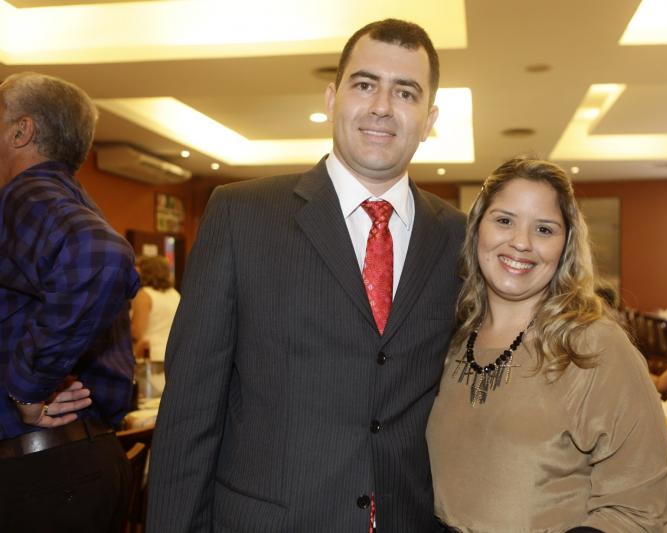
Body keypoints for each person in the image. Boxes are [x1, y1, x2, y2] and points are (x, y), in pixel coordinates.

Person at [147, 19, 466, 532]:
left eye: (405, 92)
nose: (382, 106)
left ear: (429, 119)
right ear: (332, 98)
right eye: (365, 85)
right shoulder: (242, 216)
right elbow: (190, 411)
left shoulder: (459, 238)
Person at [426, 157, 667, 532]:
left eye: (544, 229)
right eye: (504, 220)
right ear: (476, 230)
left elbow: (639, 509)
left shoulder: (594, 347)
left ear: (566, 245)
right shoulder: (452, 337)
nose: (521, 243)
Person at [0, 72, 139, 532]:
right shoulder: (69, 196)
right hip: (76, 463)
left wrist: (28, 387)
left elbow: (98, 255)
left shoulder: (28, 192)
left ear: (21, 131)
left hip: (40, 473)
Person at [131, 255, 181, 398]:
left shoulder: (144, 295)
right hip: (173, 355)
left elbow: (137, 332)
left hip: (150, 359)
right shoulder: (175, 294)